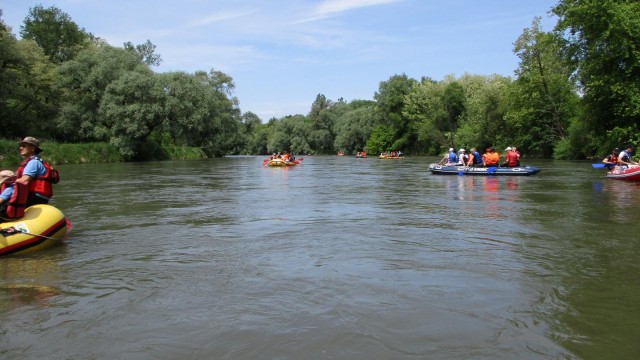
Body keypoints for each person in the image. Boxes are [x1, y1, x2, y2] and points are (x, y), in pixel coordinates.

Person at [14, 137, 59, 207]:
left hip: (34, 198)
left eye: (24, 146)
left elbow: (24, 180)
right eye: (20, 146)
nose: (20, 148)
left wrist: (5, 182)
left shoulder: (33, 162)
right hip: (37, 197)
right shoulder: (29, 162)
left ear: (32, 148)